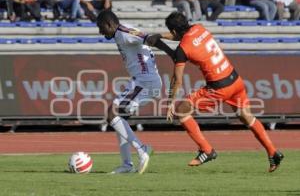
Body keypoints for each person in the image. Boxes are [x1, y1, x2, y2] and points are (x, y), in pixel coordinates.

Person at [147, 11, 284, 172]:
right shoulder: (200, 28)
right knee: (247, 117)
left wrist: (170, 102)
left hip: (219, 87)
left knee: (182, 111)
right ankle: (273, 152)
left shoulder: (182, 49)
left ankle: (206, 149)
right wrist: (162, 37)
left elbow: (177, 79)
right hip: (235, 80)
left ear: (174, 31)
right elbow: (183, 39)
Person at [96, 10, 166, 174]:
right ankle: (127, 165)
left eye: (101, 28)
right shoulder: (120, 34)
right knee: (119, 119)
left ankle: (143, 150)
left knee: (111, 113)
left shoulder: (125, 32)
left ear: (109, 24)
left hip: (145, 81)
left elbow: (150, 39)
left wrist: (174, 54)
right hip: (143, 81)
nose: (101, 32)